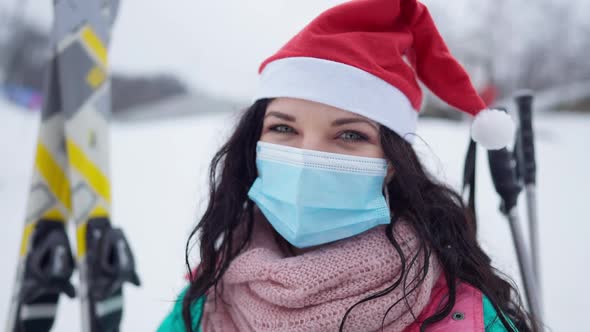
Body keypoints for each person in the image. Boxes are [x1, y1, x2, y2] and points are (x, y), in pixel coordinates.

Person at [158, 0, 534, 331]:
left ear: (391, 163)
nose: (307, 157)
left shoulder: (465, 318)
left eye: (351, 135)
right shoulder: (206, 298)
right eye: (283, 127)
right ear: (254, 144)